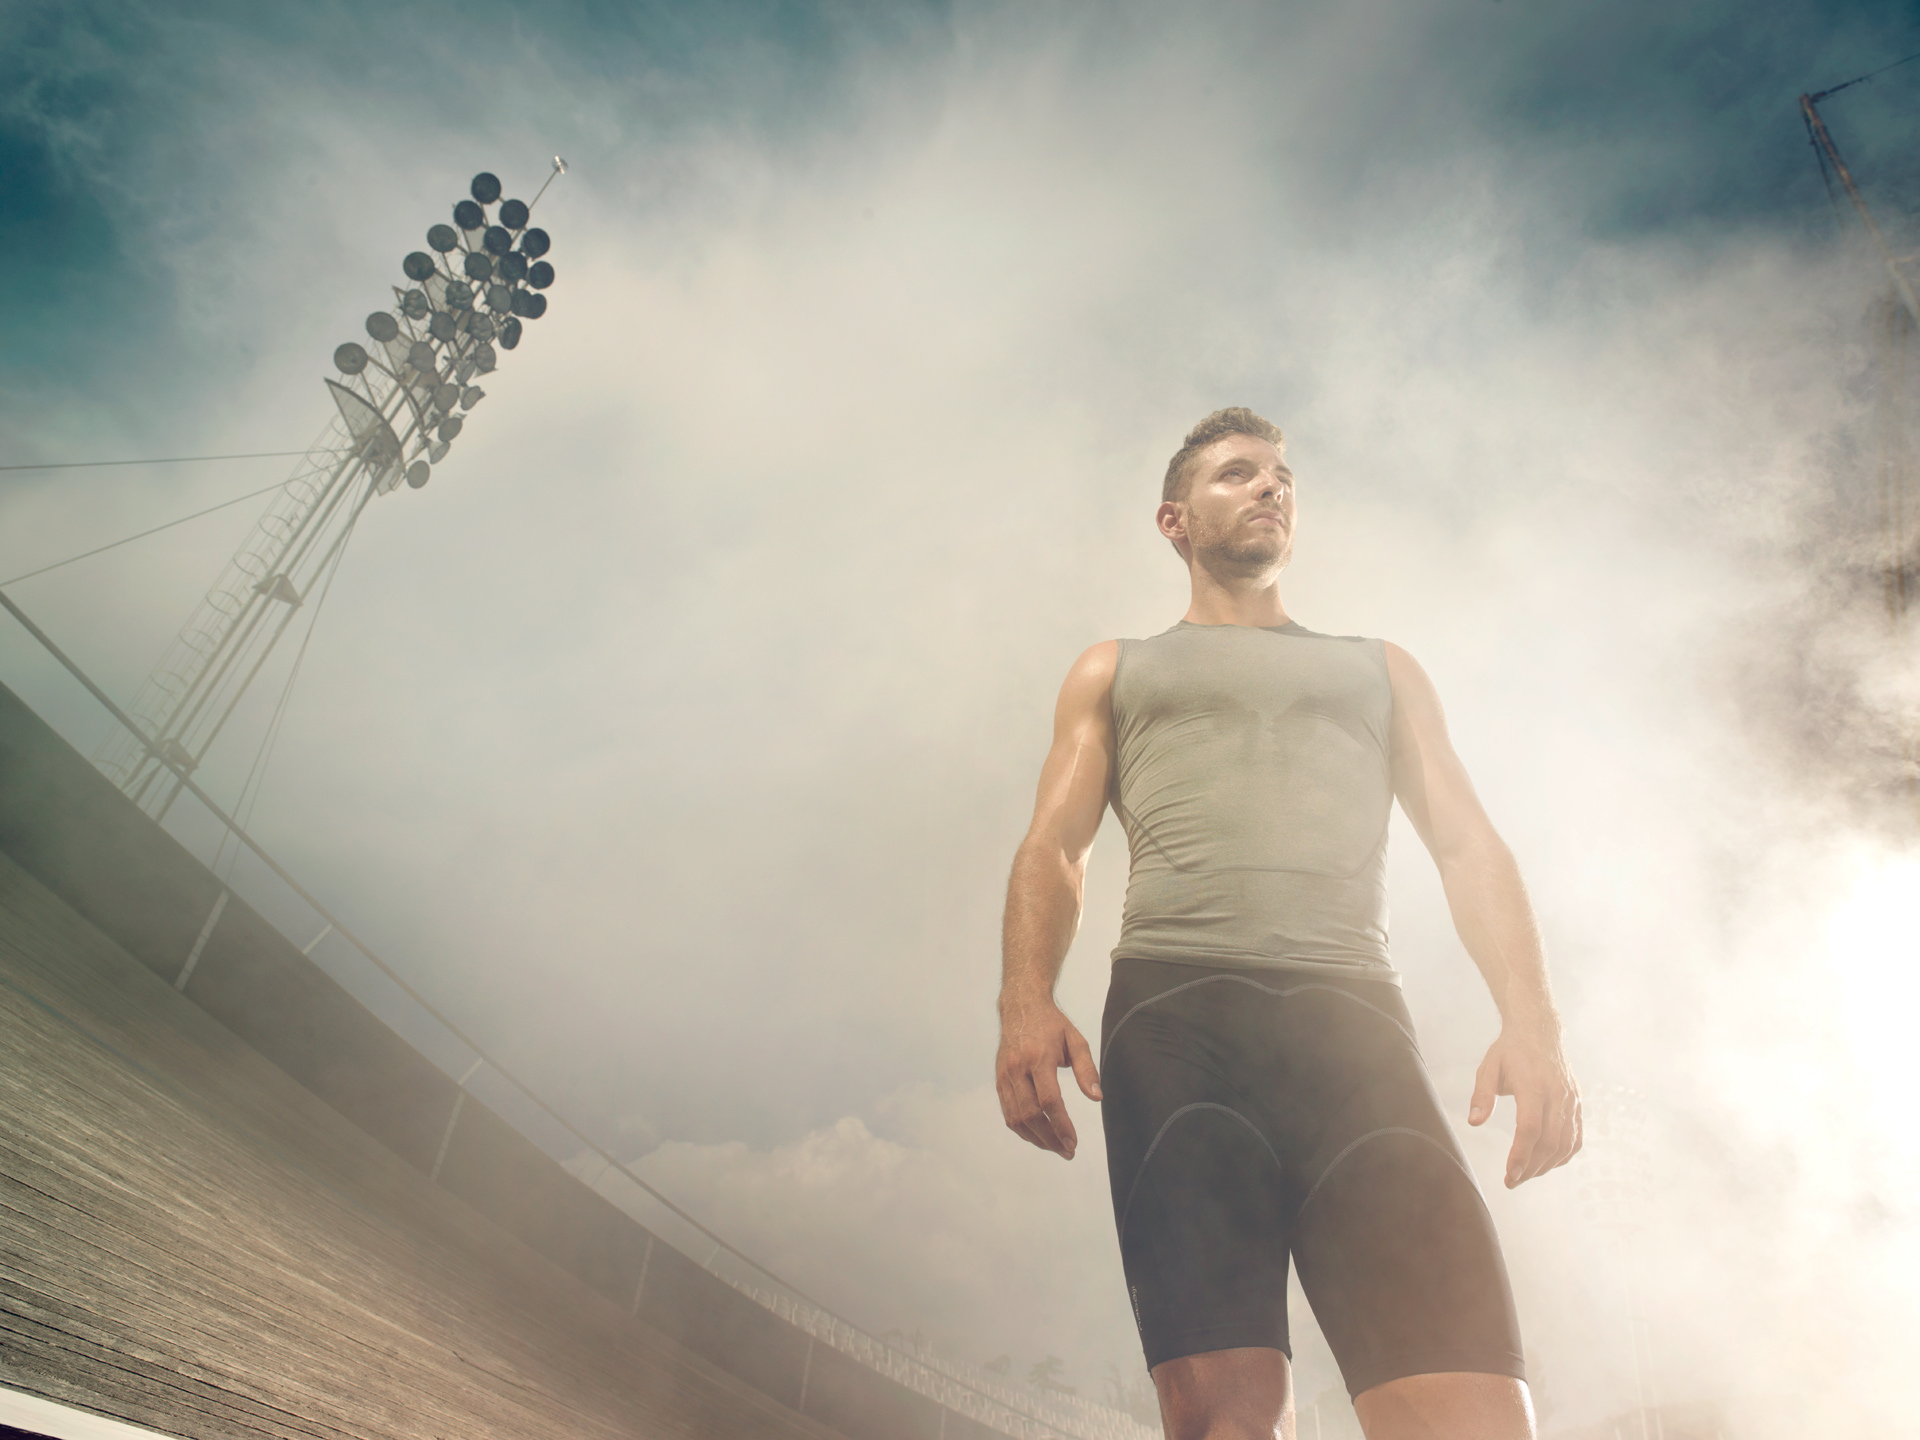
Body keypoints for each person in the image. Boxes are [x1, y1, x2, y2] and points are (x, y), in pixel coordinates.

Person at [994, 409, 1581, 1440]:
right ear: (1175, 520)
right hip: (1179, 1025)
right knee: (1226, 1418)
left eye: (1281, 477)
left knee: (1478, 1418)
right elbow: (1055, 847)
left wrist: (1533, 1024)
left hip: (1353, 1027)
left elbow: (1467, 847)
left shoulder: (1381, 670)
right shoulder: (1116, 668)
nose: (1271, 488)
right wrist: (1025, 1002)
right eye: (1237, 474)